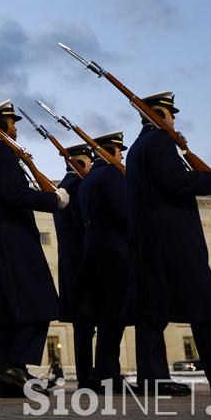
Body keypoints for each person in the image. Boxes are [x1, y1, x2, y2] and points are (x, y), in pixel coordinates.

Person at [126, 92, 211, 397]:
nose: (174, 120)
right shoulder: (161, 142)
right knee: (205, 307)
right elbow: (175, 182)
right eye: (171, 115)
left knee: (152, 312)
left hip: (149, 240)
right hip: (176, 238)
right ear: (161, 116)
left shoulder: (137, 148)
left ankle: (152, 378)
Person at [0, 101, 66, 397]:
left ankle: (6, 376)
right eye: (13, 123)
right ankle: (15, 365)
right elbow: (15, 195)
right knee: (39, 305)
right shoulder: (0, 151)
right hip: (12, 241)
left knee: (6, 312)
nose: (16, 128)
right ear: (3, 124)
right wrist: (54, 201)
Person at [78, 132, 134, 392]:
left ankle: (103, 373)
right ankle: (108, 374)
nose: (121, 156)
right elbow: (125, 212)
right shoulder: (111, 174)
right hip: (114, 251)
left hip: (95, 251)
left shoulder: (89, 180)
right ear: (110, 151)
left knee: (105, 316)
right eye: (119, 151)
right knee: (114, 316)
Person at [52, 143, 95, 390]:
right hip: (86, 262)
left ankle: (86, 375)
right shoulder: (79, 186)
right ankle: (91, 375)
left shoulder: (63, 187)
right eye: (89, 163)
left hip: (71, 265)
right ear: (80, 163)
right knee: (91, 322)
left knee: (83, 326)